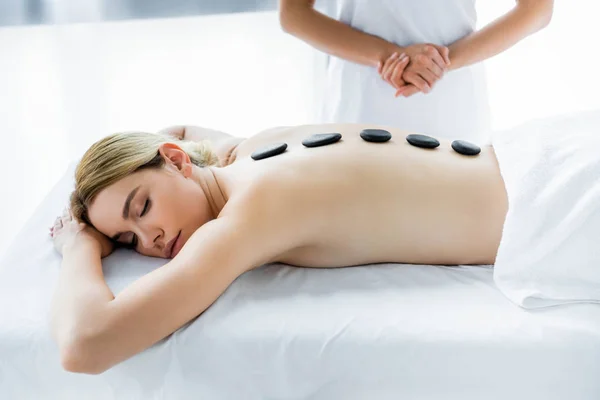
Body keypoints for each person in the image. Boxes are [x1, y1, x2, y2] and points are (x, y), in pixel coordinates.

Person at [49, 123, 509, 375]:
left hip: (550, 211)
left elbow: (86, 345)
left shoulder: (248, 216)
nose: (149, 238)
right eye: (127, 239)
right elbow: (184, 127)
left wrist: (78, 245)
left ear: (175, 159)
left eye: (142, 206)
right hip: (525, 158)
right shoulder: (254, 148)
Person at [278, 0, 553, 142]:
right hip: (358, 108)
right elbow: (294, 14)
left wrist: (437, 63)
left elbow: (536, 9)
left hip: (454, 109)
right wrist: (390, 56)